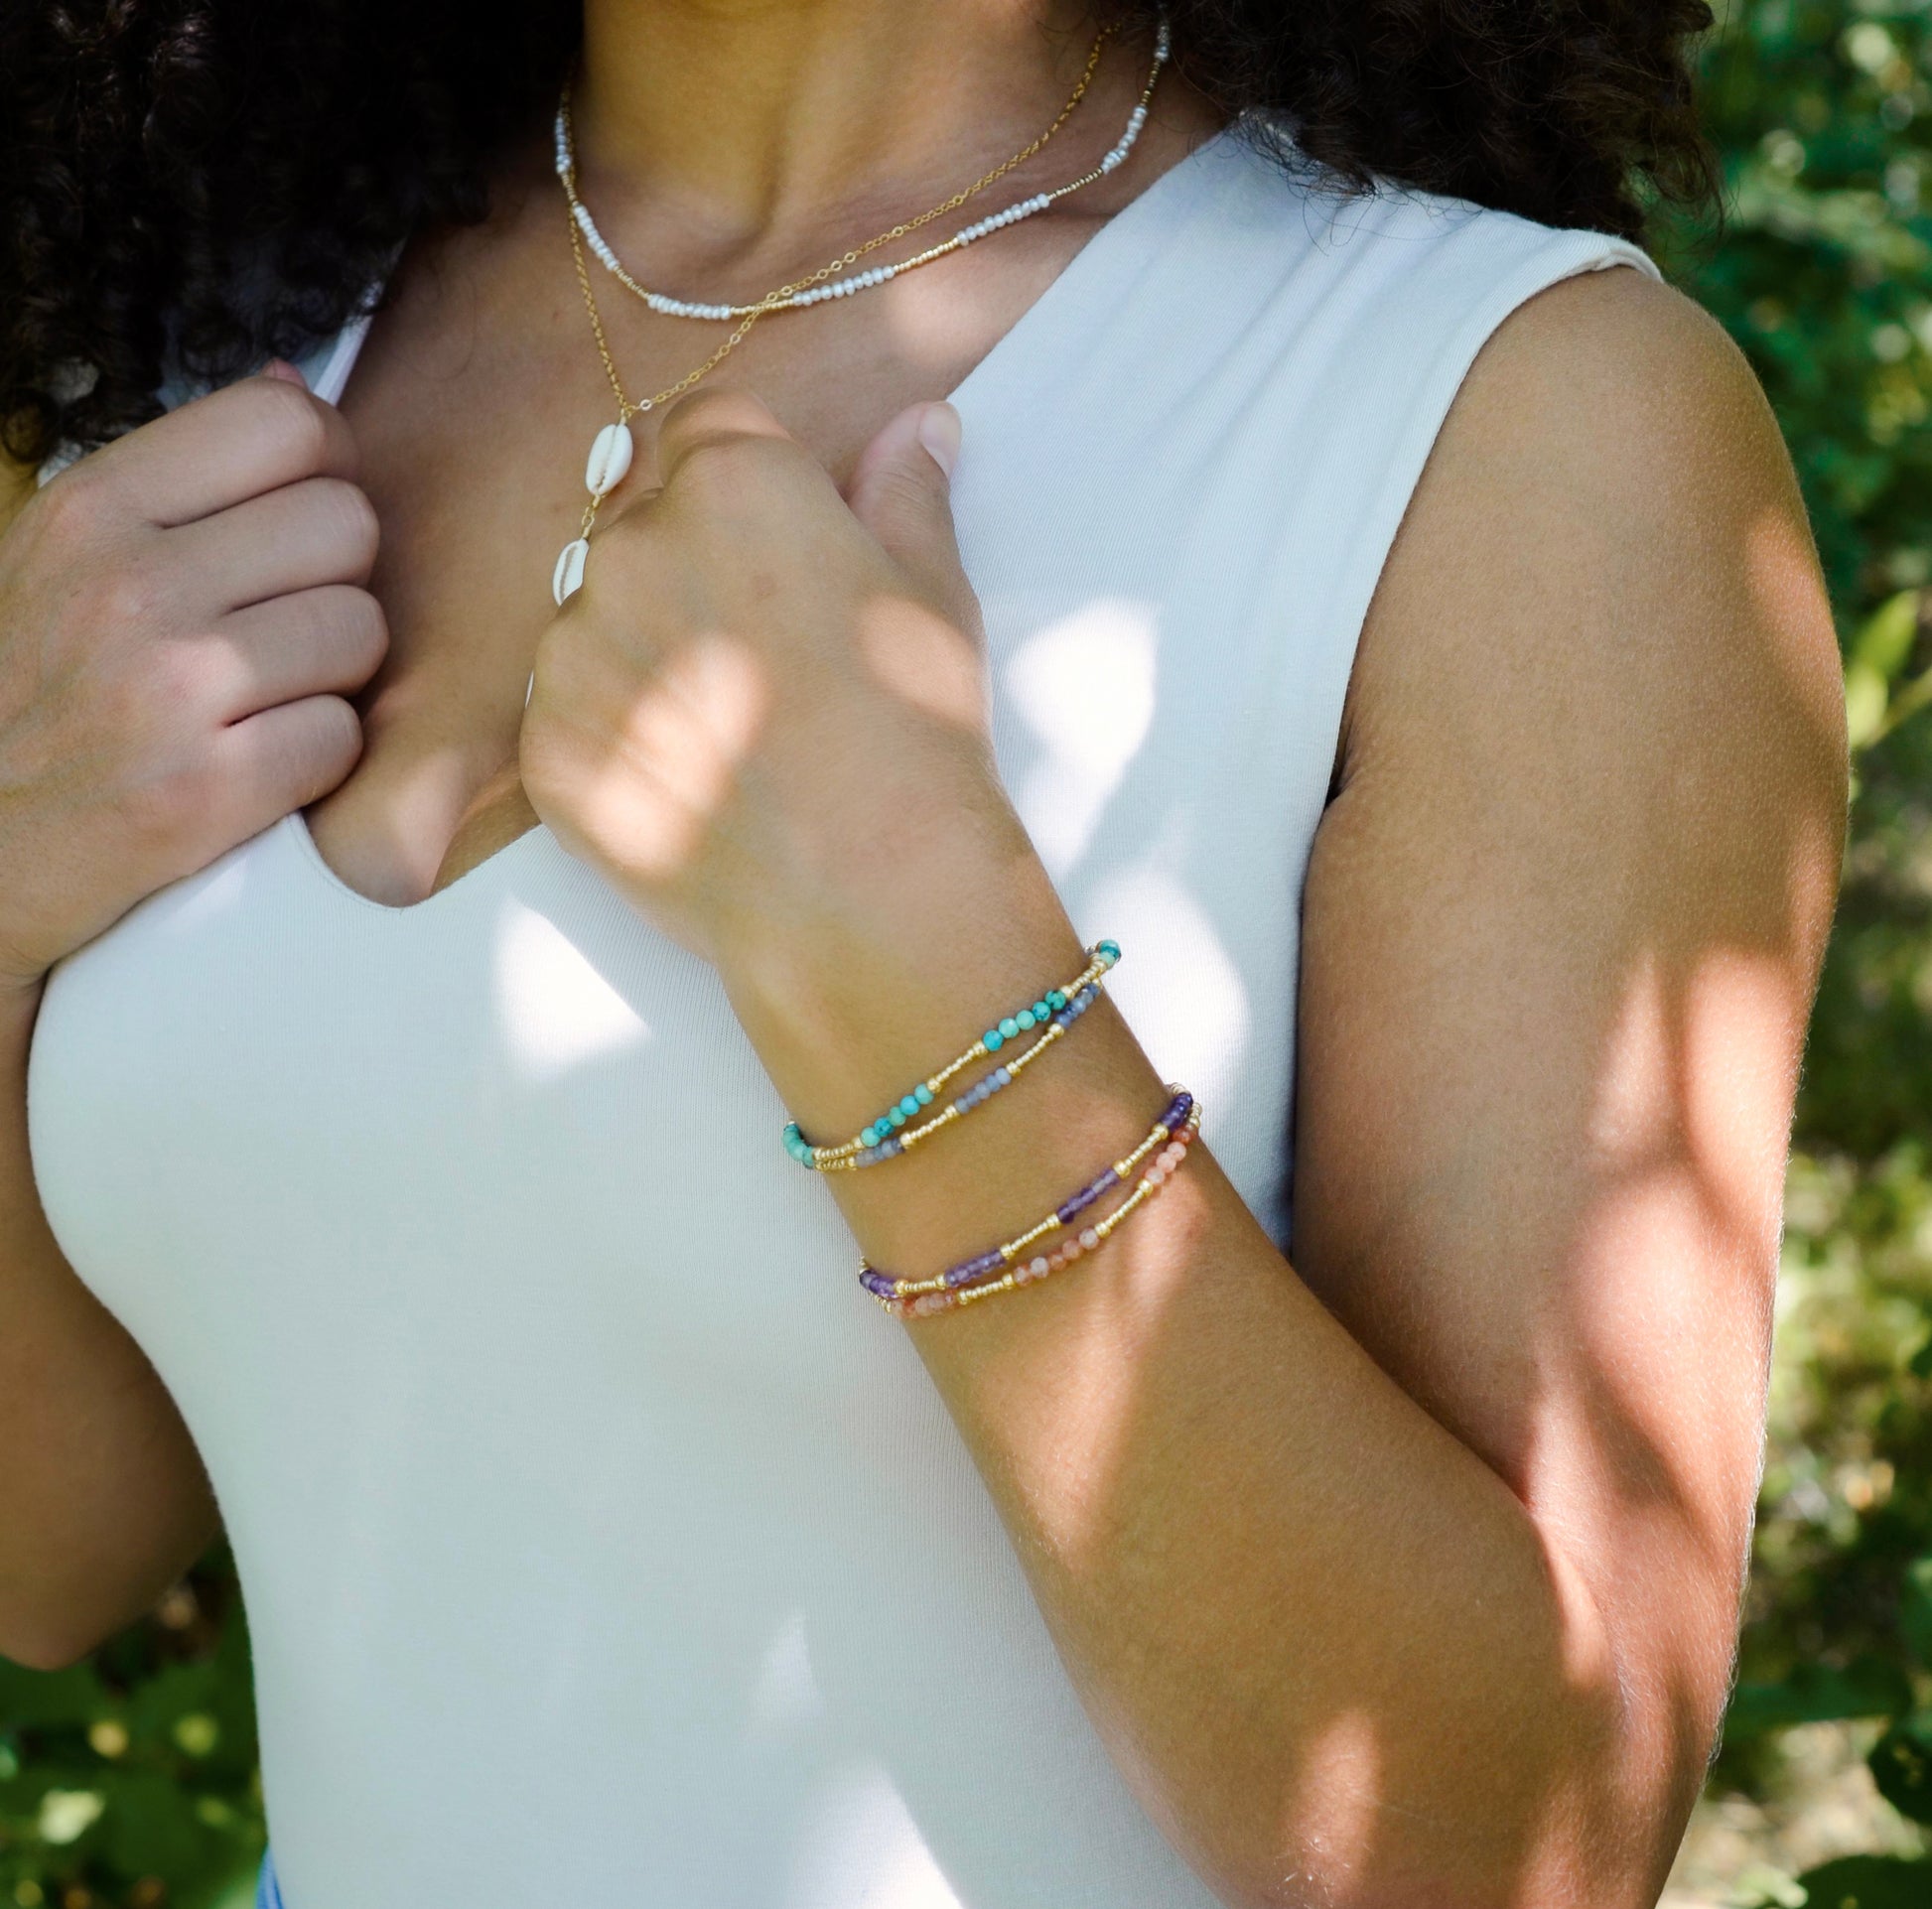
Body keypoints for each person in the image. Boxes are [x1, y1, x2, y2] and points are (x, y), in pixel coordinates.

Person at [0, 1, 1846, 1904]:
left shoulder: (1511, 416)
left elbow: (1514, 1849)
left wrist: (904, 940)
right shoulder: (221, 337)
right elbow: (54, 1557)